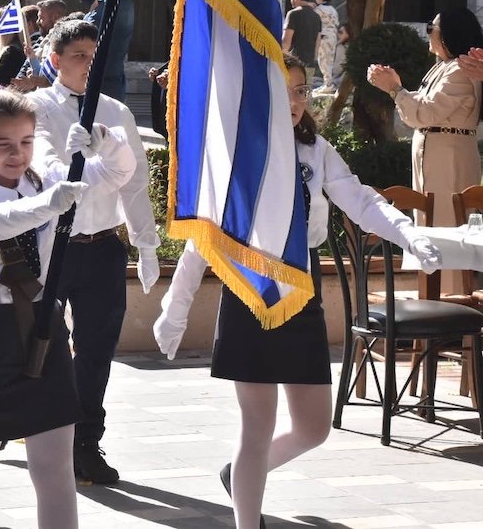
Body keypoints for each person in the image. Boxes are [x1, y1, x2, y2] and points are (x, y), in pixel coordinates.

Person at [154, 53, 443, 529]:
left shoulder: (316, 149)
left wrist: (406, 232)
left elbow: (359, 199)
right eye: (284, 89)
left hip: (301, 286)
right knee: (256, 425)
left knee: (313, 428)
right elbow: (202, 240)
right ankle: (249, 516)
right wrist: (175, 308)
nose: (295, 100)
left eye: (301, 90)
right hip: (253, 286)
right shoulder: (237, 154)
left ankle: (241, 477)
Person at [0, 88, 124, 529]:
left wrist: (104, 142)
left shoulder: (42, 181)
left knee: (54, 468)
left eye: (26, 141)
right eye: (3, 144)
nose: (17, 155)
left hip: (45, 328)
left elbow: (117, 171)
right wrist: (49, 203)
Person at [29, 19, 159, 483]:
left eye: (94, 56)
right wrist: (62, 163)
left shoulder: (116, 113)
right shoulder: (38, 106)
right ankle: (31, 423)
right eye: (79, 56)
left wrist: (145, 243)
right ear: (57, 60)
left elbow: (135, 183)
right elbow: (41, 159)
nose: (88, 65)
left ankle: (86, 443)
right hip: (53, 245)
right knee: (40, 344)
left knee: (96, 352)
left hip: (102, 245)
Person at [368, 7, 483, 294]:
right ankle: (432, 296)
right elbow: (419, 104)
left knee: (447, 229)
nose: (428, 35)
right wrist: (396, 88)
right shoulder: (442, 67)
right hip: (435, 156)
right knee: (429, 225)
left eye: (432, 29)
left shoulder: (459, 69)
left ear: (448, 35)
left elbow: (425, 113)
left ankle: (452, 302)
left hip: (449, 158)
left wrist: (395, 90)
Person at [57, 0, 134, 102]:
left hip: (105, 85)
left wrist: (90, 13)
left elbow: (84, 32)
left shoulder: (120, 5)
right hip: (100, 81)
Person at [281, 0, 321, 78]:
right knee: (306, 91)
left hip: (293, 65)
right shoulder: (316, 17)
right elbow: (318, 42)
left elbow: (286, 43)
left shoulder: (293, 14)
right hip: (309, 64)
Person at [312, 0, 339, 89]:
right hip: (333, 37)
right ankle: (328, 83)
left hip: (323, 37)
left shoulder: (318, 10)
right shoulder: (333, 10)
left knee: (323, 60)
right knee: (330, 60)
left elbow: (315, 24)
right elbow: (336, 23)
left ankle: (327, 84)